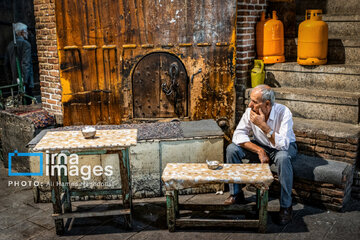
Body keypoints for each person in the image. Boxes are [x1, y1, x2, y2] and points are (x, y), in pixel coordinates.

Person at [225, 84, 297, 225]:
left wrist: (263, 126)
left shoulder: (284, 113)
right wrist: (259, 150)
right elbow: (238, 136)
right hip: (262, 146)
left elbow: (283, 144)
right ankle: (236, 194)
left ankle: (286, 206)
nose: (250, 105)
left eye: (255, 102)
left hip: (283, 148)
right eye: (250, 100)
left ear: (267, 103)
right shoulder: (250, 111)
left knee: (283, 158)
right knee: (232, 149)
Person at [4, 22, 34, 101]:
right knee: (27, 103)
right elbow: (26, 63)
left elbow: (6, 65)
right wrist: (25, 80)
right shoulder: (26, 44)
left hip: (14, 81)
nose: (27, 33)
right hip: (24, 81)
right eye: (26, 31)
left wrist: (11, 80)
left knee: (18, 103)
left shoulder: (9, 45)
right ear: (22, 32)